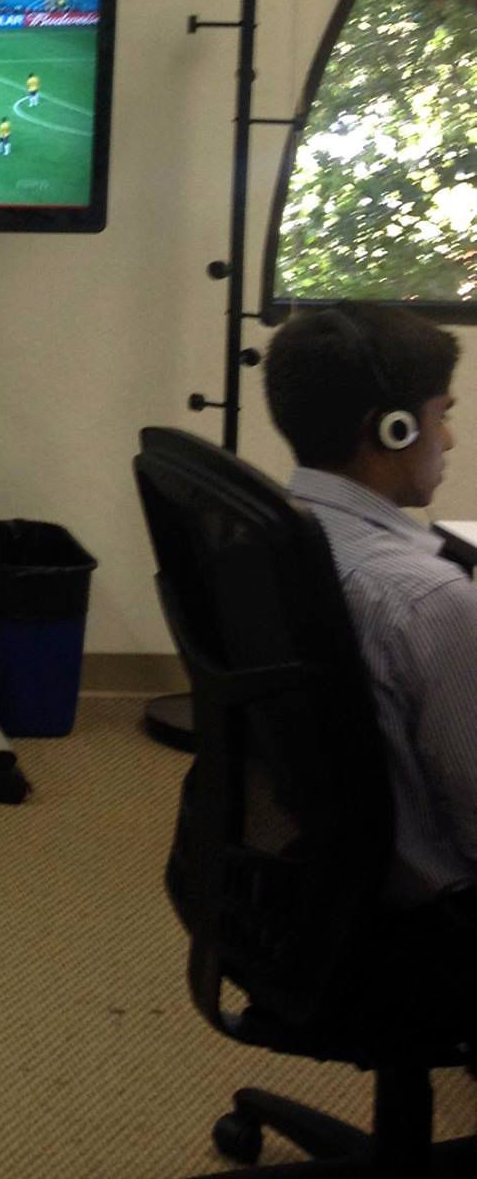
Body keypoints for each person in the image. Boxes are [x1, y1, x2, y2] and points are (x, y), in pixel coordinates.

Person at [261, 305, 469, 915]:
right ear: (393, 430)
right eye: (443, 415)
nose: (450, 438)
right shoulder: (426, 599)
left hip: (307, 895)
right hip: (431, 916)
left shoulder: (264, 539)